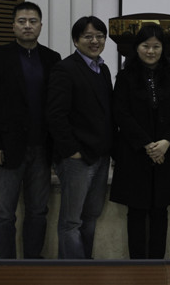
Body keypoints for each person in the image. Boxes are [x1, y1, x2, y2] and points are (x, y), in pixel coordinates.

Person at [0, 1, 61, 259]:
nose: (27, 26)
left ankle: (32, 263)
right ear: (13, 26)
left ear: (41, 26)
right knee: (4, 214)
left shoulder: (52, 58)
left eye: (33, 21)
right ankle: (6, 267)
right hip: (7, 148)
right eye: (22, 21)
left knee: (38, 211)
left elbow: (56, 105)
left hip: (42, 148)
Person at [110, 23, 170, 259]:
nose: (151, 51)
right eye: (145, 46)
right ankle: (137, 267)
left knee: (160, 210)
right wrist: (147, 144)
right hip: (134, 153)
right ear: (137, 48)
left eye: (156, 46)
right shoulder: (125, 77)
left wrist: (166, 142)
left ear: (163, 48)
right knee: (136, 211)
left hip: (166, 153)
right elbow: (121, 114)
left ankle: (157, 265)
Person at [46, 16, 115, 259]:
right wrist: (71, 151)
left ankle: (86, 267)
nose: (95, 41)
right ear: (76, 41)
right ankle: (73, 272)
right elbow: (55, 115)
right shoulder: (65, 69)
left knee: (91, 215)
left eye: (99, 36)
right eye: (88, 36)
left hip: (100, 155)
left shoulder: (102, 69)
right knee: (71, 221)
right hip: (77, 158)